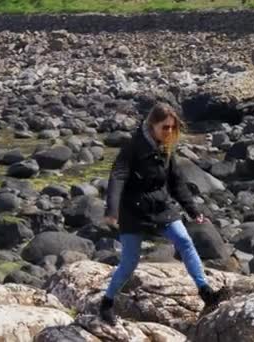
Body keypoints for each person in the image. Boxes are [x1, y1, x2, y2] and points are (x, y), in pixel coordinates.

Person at [100, 102, 225, 326]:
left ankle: (205, 291)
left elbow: (176, 182)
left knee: (185, 240)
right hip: (134, 211)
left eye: (172, 128)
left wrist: (193, 210)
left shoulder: (166, 148)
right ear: (152, 125)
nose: (169, 132)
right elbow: (117, 176)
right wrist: (112, 210)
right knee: (129, 263)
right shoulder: (132, 147)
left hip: (162, 207)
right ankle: (107, 303)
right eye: (164, 127)